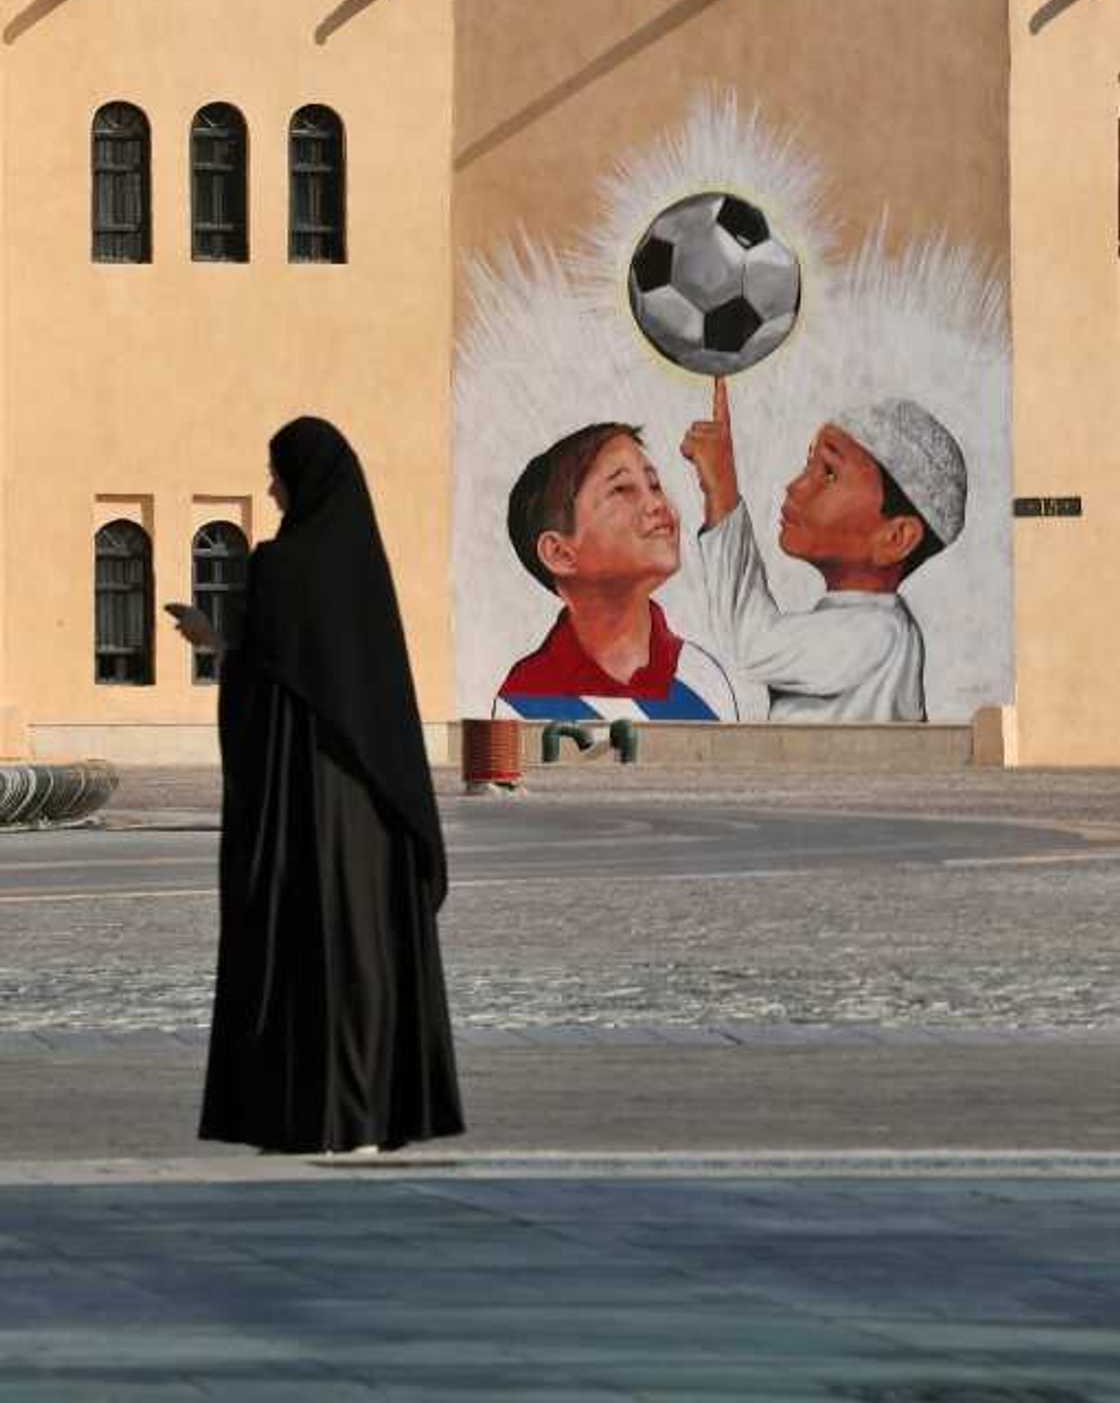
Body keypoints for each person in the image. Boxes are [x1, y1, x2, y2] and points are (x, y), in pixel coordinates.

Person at [170, 417, 463, 1155]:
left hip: (305, 806)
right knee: (366, 957)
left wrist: (218, 647)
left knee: (306, 953)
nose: (270, 486)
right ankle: (365, 1120)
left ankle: (312, 1116)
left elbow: (268, 687)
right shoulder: (365, 573)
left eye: (276, 472)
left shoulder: (280, 566)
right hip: (371, 809)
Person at [681, 379, 967, 722]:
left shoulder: (875, 634)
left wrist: (722, 491)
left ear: (896, 538)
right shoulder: (868, 625)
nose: (796, 486)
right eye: (809, 464)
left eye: (829, 474)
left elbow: (751, 645)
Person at [495, 422, 737, 721]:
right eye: (622, 489)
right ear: (559, 553)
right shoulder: (522, 699)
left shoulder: (703, 679)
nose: (656, 504)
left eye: (654, 485)